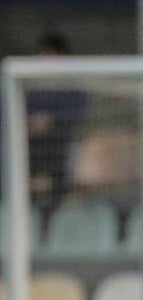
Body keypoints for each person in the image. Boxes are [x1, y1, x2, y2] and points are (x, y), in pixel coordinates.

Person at [25, 33, 88, 204]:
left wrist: (52, 121)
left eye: (49, 55)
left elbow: (77, 118)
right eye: (41, 56)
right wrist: (29, 124)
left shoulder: (74, 88)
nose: (44, 61)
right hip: (29, 150)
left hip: (61, 150)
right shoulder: (27, 89)